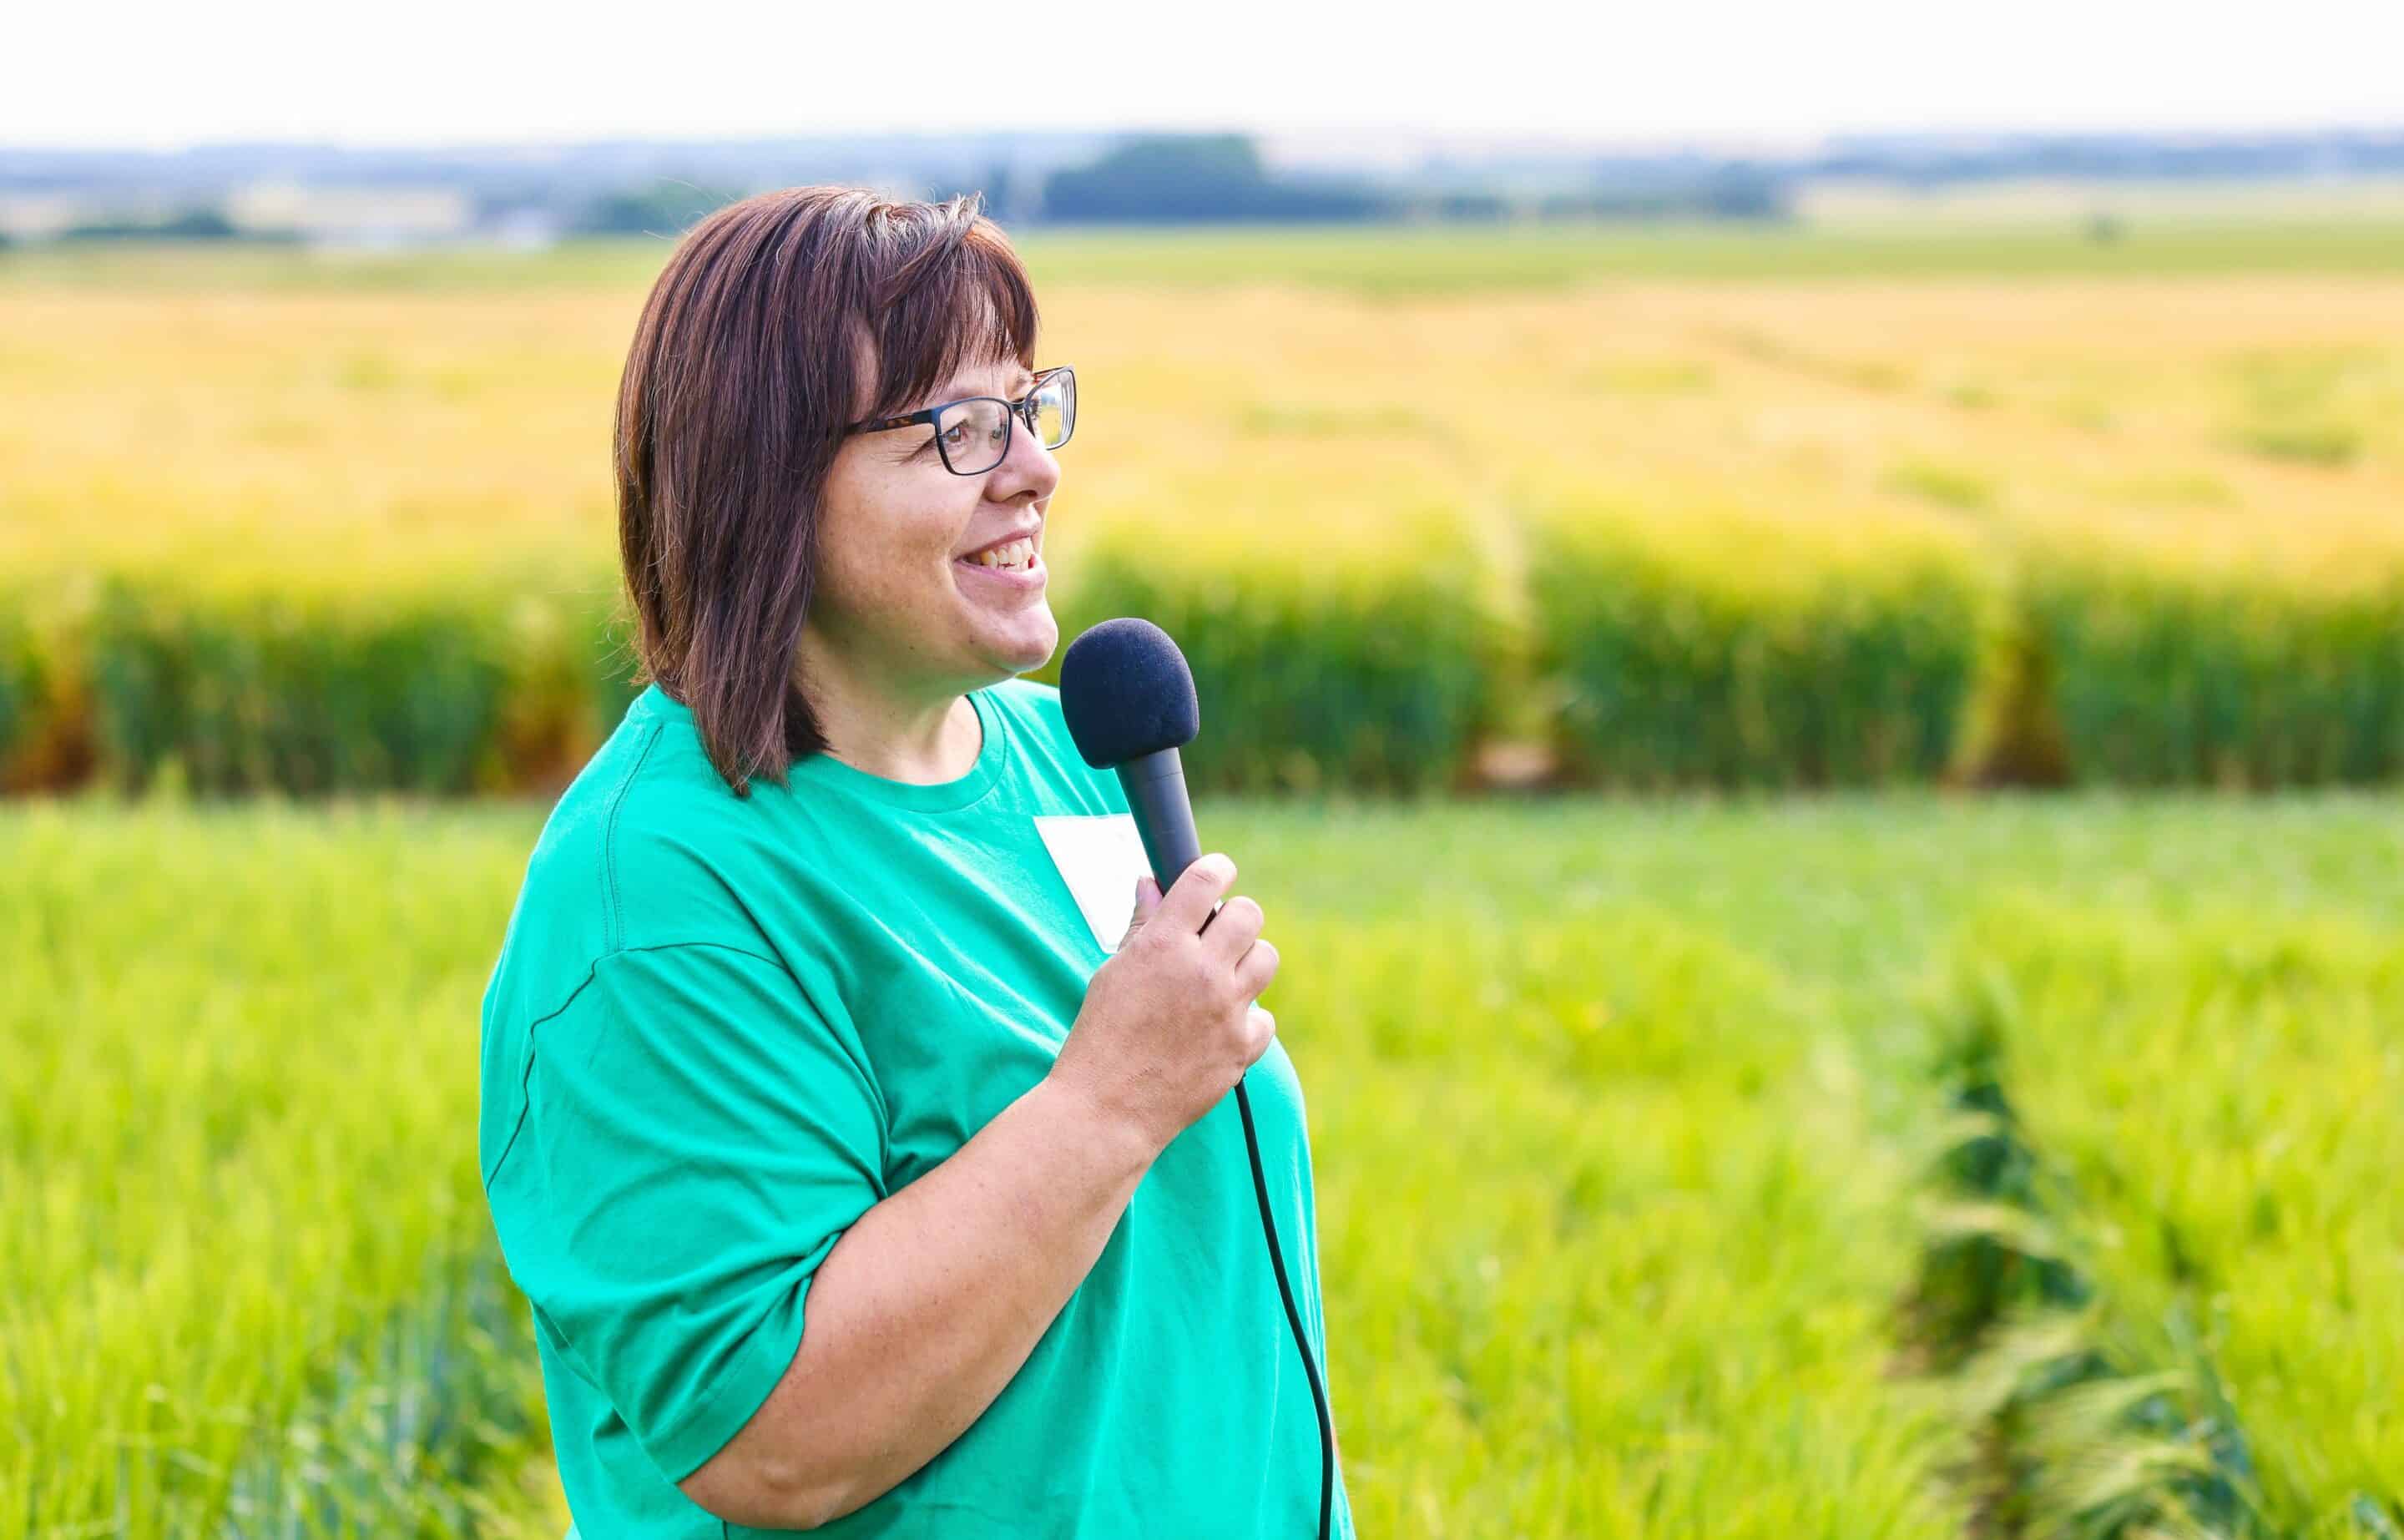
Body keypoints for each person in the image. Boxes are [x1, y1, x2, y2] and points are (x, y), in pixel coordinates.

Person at [477, 185, 1354, 1537]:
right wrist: (1111, 1097)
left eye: (1029, 407)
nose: (1034, 469)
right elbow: (772, 1439)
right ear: (764, 483)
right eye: (959, 430)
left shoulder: (1075, 756)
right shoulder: (655, 895)